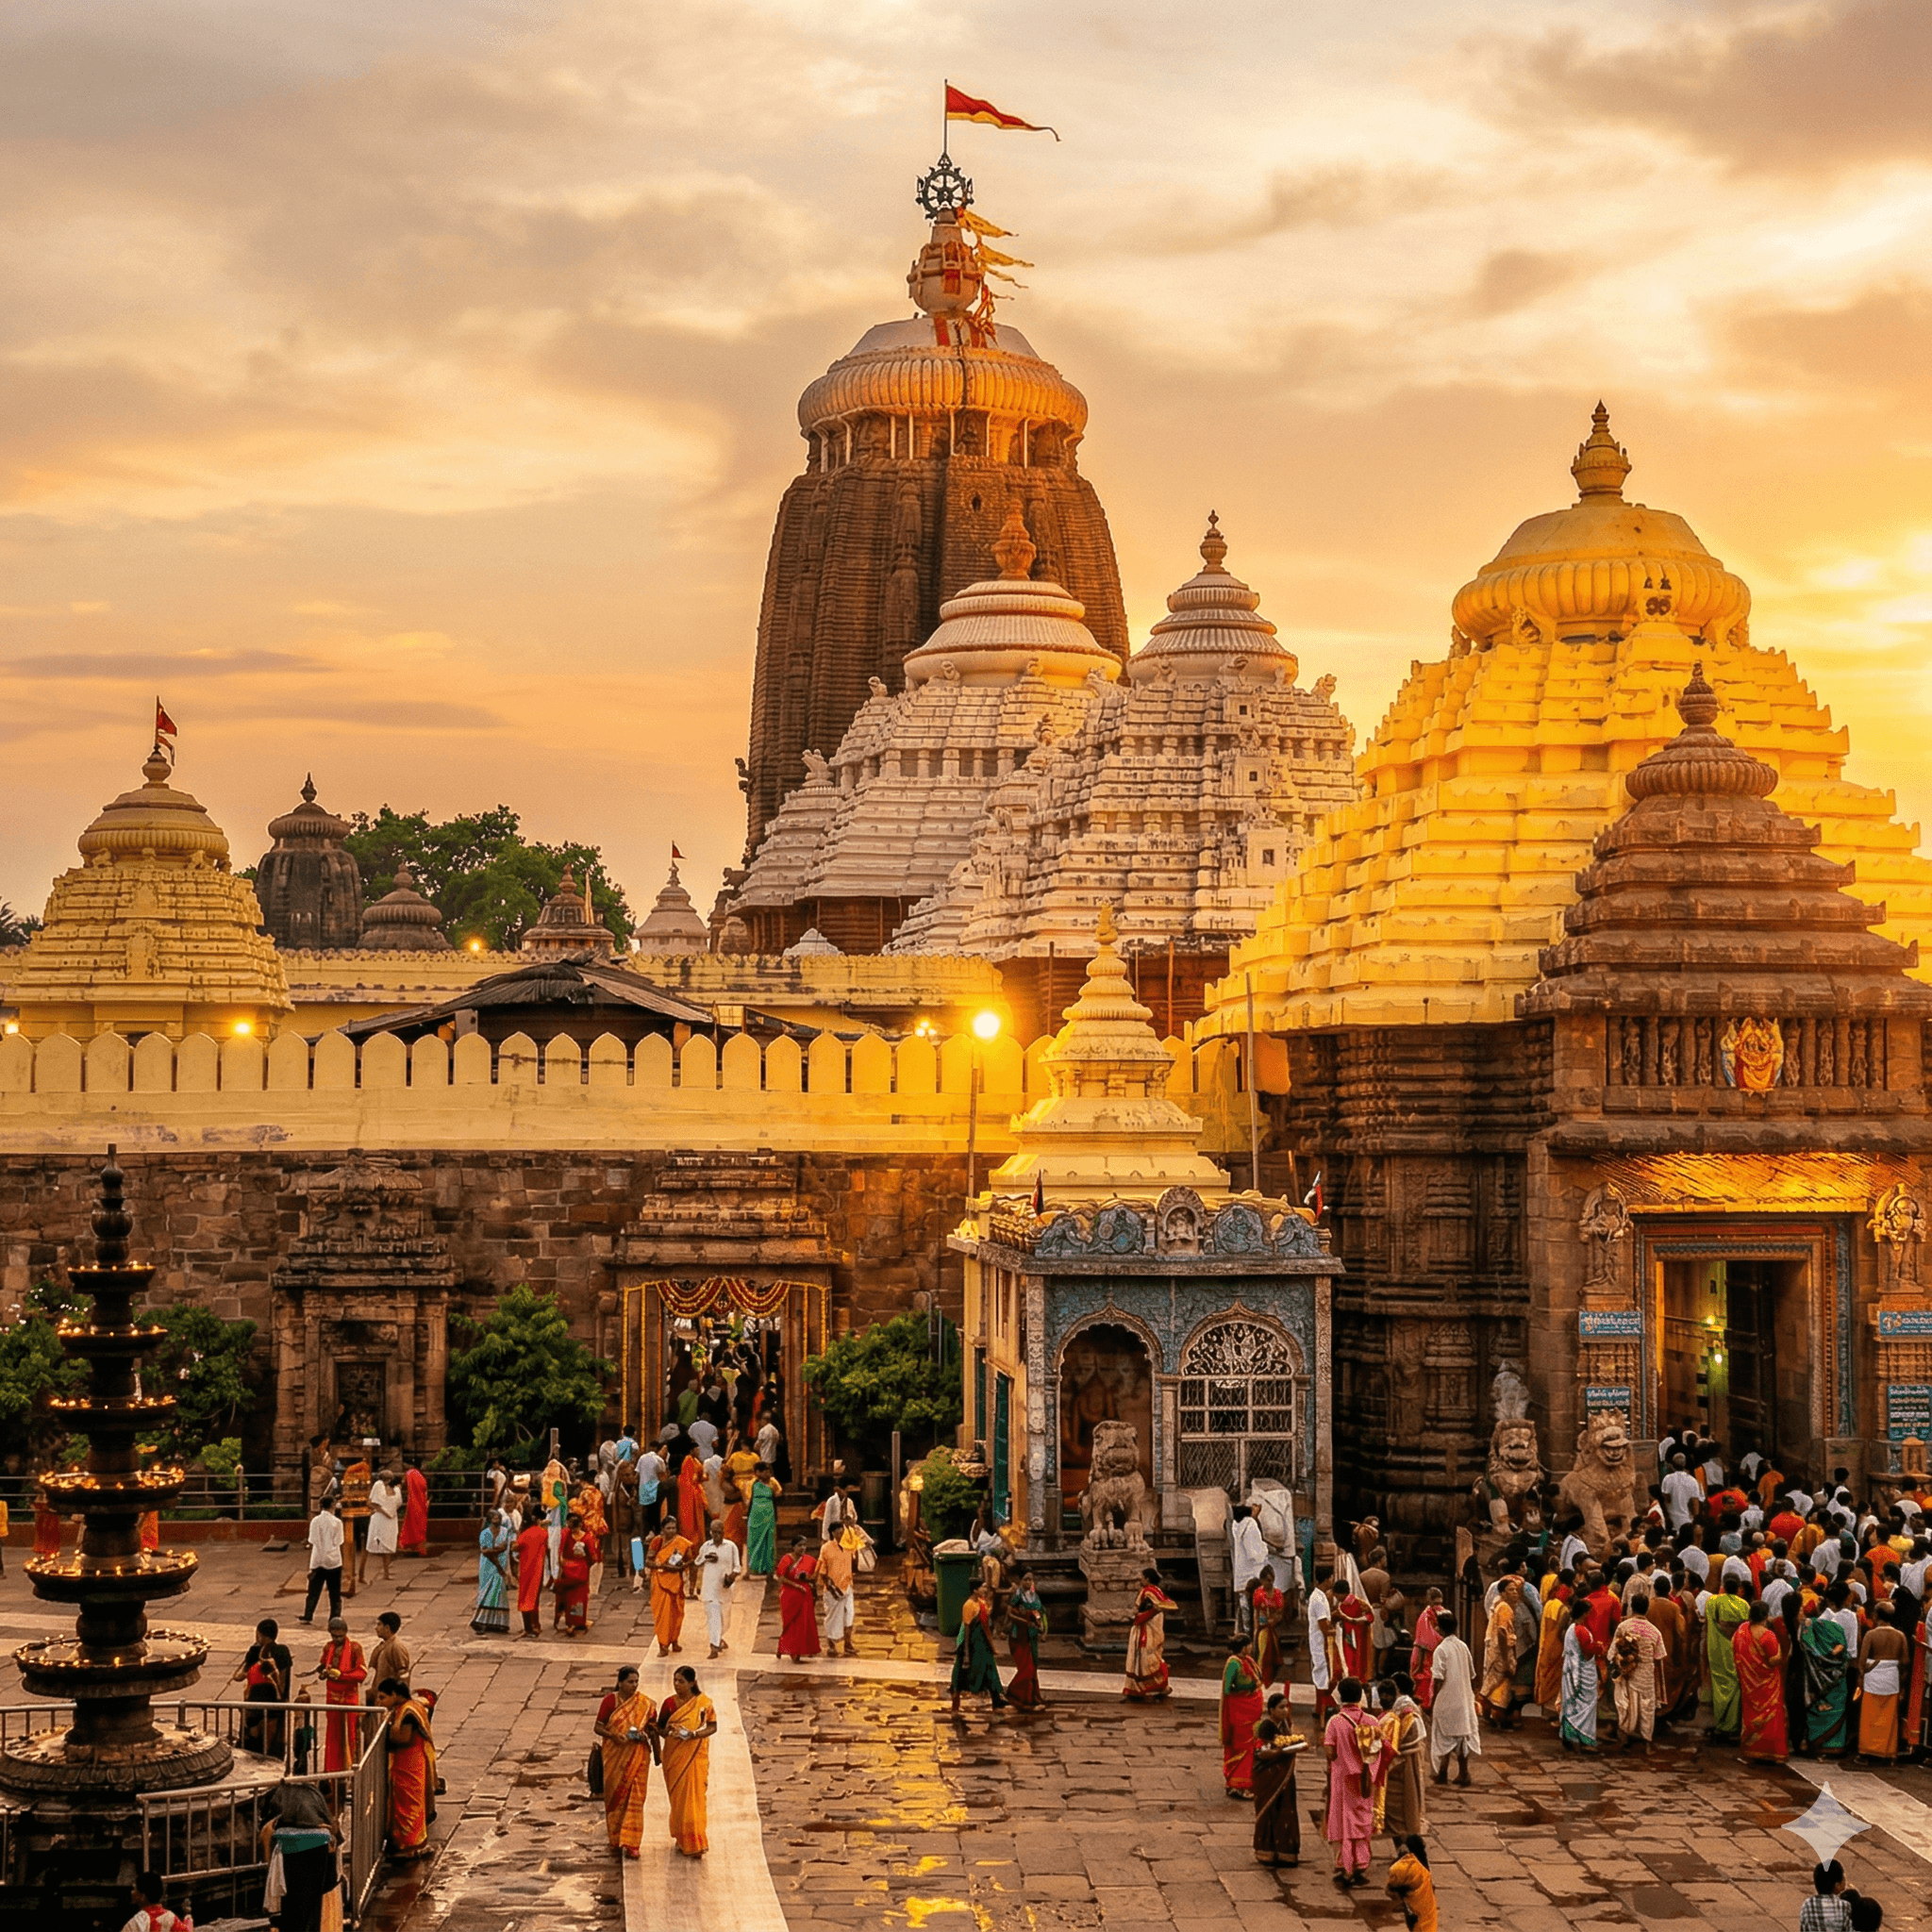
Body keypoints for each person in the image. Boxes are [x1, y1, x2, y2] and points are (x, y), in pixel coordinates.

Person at [1323, 1678, 1383, 1889]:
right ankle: (1360, 1864)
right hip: (1365, 1781)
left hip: (1342, 1781)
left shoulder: (1335, 1722)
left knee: (1342, 1821)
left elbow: (1330, 1752)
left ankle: (1344, 1865)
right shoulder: (1372, 1721)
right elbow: (1378, 1752)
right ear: (1360, 1696)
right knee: (1361, 1820)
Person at [596, 1664, 659, 1860]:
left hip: (638, 1756)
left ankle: (632, 1843)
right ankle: (615, 1838)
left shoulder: (644, 1704)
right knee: (616, 1795)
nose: (634, 1686)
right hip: (616, 1756)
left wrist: (655, 1749)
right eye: (630, 1682)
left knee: (636, 1799)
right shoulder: (610, 1701)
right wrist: (614, 1736)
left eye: (636, 1682)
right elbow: (598, 1727)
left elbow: (652, 1727)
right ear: (620, 1683)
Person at [260, 1777, 337, 1932]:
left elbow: (266, 1832)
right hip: (320, 1844)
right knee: (312, 1905)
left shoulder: (278, 1796)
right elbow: (333, 1828)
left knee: (291, 1904)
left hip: (291, 1849)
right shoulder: (314, 1794)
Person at [658, 1665, 716, 1858]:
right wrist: (671, 1731)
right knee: (678, 1799)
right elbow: (659, 1729)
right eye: (675, 1681)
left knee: (695, 1798)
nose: (677, 1685)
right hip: (674, 1756)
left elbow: (713, 1726)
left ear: (692, 1683)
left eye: (681, 1681)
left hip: (695, 1756)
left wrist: (694, 1735)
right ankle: (681, 1837)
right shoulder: (669, 1704)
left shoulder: (703, 1703)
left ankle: (696, 1840)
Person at [376, 1677, 436, 1860]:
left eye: (382, 1698)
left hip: (410, 1762)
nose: (380, 1702)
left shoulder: (409, 1712)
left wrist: (384, 1734)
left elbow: (403, 1738)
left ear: (395, 1695)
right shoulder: (405, 1708)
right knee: (405, 1802)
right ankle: (408, 1842)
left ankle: (410, 1845)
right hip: (406, 1762)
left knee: (408, 1804)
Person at [1251, 1698, 1305, 1869]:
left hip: (1284, 1776)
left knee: (1285, 1811)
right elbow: (1261, 1752)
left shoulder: (1285, 1725)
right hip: (1269, 1775)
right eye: (1281, 1707)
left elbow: (1291, 1741)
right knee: (1270, 1811)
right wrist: (1281, 1752)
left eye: (1287, 1707)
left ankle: (1285, 1852)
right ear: (1272, 1710)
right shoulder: (1266, 1726)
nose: (1285, 1710)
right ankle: (1267, 1851)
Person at [1426, 1611, 1478, 1786]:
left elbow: (1438, 1678)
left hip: (1447, 1699)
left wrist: (1433, 1701)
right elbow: (1472, 1674)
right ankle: (1463, 1773)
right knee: (1461, 1736)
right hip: (1463, 1698)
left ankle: (1442, 1772)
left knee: (1443, 1735)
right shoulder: (1463, 1646)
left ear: (1439, 1629)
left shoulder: (1441, 1649)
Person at [1609, 1592, 1666, 1751]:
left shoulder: (1623, 1626)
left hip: (1627, 1675)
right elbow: (1660, 1656)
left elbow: (1611, 1653)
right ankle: (1648, 1744)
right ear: (1647, 1609)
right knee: (1647, 1709)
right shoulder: (1654, 1631)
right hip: (1647, 1676)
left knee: (1626, 1706)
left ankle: (1625, 1738)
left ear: (1632, 1607)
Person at [1802, 1596, 1855, 1757]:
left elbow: (1806, 1647)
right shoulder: (1838, 1628)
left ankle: (1814, 1744)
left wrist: (1820, 1659)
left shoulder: (1808, 1625)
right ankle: (1834, 1746)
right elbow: (1843, 1650)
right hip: (1837, 1678)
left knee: (1817, 1708)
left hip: (1815, 1677)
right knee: (1835, 1708)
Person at [1858, 1600, 1910, 1762]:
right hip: (1891, 1679)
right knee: (1888, 1718)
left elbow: (1862, 1662)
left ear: (1875, 1616)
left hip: (1873, 1678)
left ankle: (1867, 1751)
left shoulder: (1871, 1634)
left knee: (1870, 1717)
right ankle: (1887, 1752)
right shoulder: (1900, 1636)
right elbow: (1905, 1661)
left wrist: (1862, 1675)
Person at [1379, 1674, 1428, 1844]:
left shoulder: (1405, 1712)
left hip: (1402, 1766)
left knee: (1399, 1811)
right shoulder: (1403, 1709)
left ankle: (1404, 1849)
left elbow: (1396, 1742)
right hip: (1408, 1763)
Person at [233, 1617, 291, 1758]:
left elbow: (238, 1676)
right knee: (271, 1743)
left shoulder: (256, 1653)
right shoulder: (283, 1651)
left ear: (260, 1635)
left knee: (255, 1744)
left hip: (257, 1707)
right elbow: (284, 1682)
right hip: (277, 1706)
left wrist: (248, 1660)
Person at [1704, 1575, 1753, 1743]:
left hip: (1716, 1650)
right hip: (1736, 1650)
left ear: (1722, 1586)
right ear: (1739, 1588)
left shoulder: (1712, 1602)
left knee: (1719, 1686)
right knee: (1735, 1685)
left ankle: (1721, 1724)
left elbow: (1707, 1624)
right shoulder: (1744, 1605)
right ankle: (1731, 1726)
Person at [950, 1582, 1008, 1718]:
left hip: (983, 1644)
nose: (984, 1589)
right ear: (975, 1590)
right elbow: (967, 1629)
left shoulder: (981, 1602)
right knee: (961, 1675)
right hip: (971, 1644)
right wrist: (966, 1654)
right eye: (982, 1587)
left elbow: (986, 1621)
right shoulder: (968, 1605)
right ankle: (955, 1705)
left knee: (990, 1669)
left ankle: (997, 1701)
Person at [316, 1616, 366, 1774]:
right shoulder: (328, 1648)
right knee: (333, 1738)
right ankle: (331, 1772)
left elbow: (361, 1673)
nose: (337, 1639)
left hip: (349, 1699)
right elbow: (324, 1664)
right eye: (334, 1636)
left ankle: (351, 1773)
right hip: (332, 1698)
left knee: (351, 1737)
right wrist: (324, 1673)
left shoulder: (355, 1648)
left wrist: (342, 1676)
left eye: (340, 1636)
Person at [1123, 1569, 1178, 1702]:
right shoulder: (1156, 1591)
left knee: (1143, 1661)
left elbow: (1153, 1610)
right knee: (1148, 1660)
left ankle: (1148, 1688)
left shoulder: (1148, 1592)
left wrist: (1139, 1616)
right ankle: (1140, 1690)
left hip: (1145, 1630)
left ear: (1147, 1579)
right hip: (1153, 1629)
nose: (1140, 1579)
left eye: (1142, 1577)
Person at [1220, 1637, 1266, 1797]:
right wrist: (1248, 1687)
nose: (1251, 1647)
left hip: (1252, 1712)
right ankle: (1238, 1785)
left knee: (1252, 1747)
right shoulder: (1234, 1663)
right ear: (1243, 1647)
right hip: (1240, 1711)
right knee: (1243, 1748)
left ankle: (1246, 1784)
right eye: (1249, 1645)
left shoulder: (1248, 1660)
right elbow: (1228, 1689)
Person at [1480, 1576, 1523, 1728]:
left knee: (1491, 1684)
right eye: (1511, 1590)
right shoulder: (1505, 1608)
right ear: (1503, 1593)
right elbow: (1502, 1633)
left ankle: (1490, 1715)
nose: (1515, 1593)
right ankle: (1498, 1717)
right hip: (1501, 1652)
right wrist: (1506, 1659)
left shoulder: (1499, 1606)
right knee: (1501, 1684)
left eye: (1516, 1590)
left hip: (1496, 1651)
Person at [649, 1524, 694, 1657]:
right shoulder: (657, 1541)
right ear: (662, 1529)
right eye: (668, 1528)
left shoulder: (682, 1543)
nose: (671, 1530)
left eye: (674, 1528)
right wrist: (663, 1566)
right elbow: (648, 1561)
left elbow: (691, 1561)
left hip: (676, 1583)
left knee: (677, 1613)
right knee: (662, 1615)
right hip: (659, 1582)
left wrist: (681, 1567)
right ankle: (663, 1645)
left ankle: (674, 1640)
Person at [697, 1526, 741, 1658]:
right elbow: (697, 1562)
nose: (716, 1535)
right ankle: (714, 1646)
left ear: (723, 1532)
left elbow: (738, 1566)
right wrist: (707, 1558)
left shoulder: (731, 1546)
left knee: (725, 1620)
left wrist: (732, 1577)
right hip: (709, 1589)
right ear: (710, 1532)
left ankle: (719, 1638)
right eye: (713, 1532)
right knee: (713, 1617)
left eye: (719, 1532)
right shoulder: (706, 1546)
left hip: (725, 1589)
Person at [1558, 1610, 1600, 1751]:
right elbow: (1587, 1650)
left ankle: (1568, 1735)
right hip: (1583, 1672)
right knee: (1585, 1706)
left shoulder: (1572, 1628)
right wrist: (1599, 1648)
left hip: (1572, 1669)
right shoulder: (1581, 1630)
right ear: (1585, 1614)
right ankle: (1585, 1741)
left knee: (1571, 1705)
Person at [775, 1535, 820, 1661]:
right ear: (793, 1547)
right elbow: (781, 1578)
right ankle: (787, 1649)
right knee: (790, 1623)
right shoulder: (786, 1559)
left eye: (804, 1545)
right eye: (799, 1545)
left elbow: (815, 1575)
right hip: (789, 1594)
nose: (802, 1548)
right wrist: (797, 1586)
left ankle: (804, 1650)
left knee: (805, 1622)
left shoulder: (810, 1560)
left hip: (805, 1594)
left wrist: (806, 1579)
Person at [300, 1497, 344, 1625]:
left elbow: (312, 1540)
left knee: (313, 1591)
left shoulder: (315, 1521)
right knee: (335, 1592)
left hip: (317, 1559)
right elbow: (339, 1541)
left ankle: (308, 1615)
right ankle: (334, 1617)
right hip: (334, 1560)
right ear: (332, 1506)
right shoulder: (337, 1522)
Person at [818, 1523, 858, 1657]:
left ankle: (848, 1645)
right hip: (832, 1589)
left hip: (847, 1586)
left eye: (843, 1532)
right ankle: (831, 1646)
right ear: (833, 1533)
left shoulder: (849, 1546)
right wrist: (831, 1586)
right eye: (838, 1533)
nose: (841, 1535)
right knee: (832, 1618)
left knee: (849, 1617)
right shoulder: (826, 1548)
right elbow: (822, 1571)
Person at [1386, 1835, 1438, 1932]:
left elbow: (1391, 1888)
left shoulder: (1406, 1867)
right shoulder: (1423, 1864)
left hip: (1413, 1907)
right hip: (1426, 1905)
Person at [475, 1509, 513, 1635]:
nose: (497, 1520)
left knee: (499, 1593)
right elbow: (485, 1552)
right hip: (488, 1567)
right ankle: (481, 1621)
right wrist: (497, 1555)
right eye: (495, 1518)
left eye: (499, 1518)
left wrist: (493, 1550)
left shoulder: (504, 1531)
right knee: (486, 1592)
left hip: (501, 1564)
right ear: (490, 1519)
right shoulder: (485, 1533)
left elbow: (504, 1547)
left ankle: (500, 1623)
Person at [555, 1512, 593, 1636]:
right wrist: (584, 1566)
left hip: (568, 1570)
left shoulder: (565, 1534)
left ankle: (571, 1622)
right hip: (581, 1571)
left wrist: (564, 1565)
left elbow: (560, 1554)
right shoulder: (588, 1537)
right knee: (579, 1599)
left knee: (569, 1598)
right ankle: (577, 1622)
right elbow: (593, 1557)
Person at [513, 1507, 550, 1638]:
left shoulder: (525, 1534)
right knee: (535, 1599)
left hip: (525, 1570)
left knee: (525, 1597)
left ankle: (528, 1628)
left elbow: (515, 1547)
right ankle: (536, 1625)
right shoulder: (543, 1533)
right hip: (538, 1569)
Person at [1230, 1505, 1268, 1630]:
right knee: (1257, 1611)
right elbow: (1255, 1554)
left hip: (1242, 1575)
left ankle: (1244, 1635)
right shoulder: (1250, 1525)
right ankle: (1255, 1638)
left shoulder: (1236, 1526)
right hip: (1253, 1575)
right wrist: (1265, 1548)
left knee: (1244, 1609)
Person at [1252, 1565, 1288, 1691]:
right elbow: (1256, 1612)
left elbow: (1280, 1612)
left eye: (1271, 1580)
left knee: (1274, 1655)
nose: (1269, 1583)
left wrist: (1275, 1619)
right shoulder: (1258, 1593)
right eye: (1267, 1580)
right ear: (1262, 1580)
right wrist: (1256, 1628)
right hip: (1262, 1627)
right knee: (1261, 1654)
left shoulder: (1277, 1593)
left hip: (1273, 1628)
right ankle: (1259, 1678)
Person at [367, 1611, 411, 1713]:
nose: (376, 1628)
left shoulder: (396, 1647)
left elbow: (403, 1675)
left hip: (390, 1701)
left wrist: (401, 1701)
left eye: (379, 1625)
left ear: (387, 1628)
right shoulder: (381, 1646)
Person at [121, 1869, 192, 1932]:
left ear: (142, 1897)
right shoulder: (172, 1918)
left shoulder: (137, 1922)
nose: (132, 1892)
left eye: (134, 1889)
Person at [1409, 1589, 1444, 1711]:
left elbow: (1426, 1642)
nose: (1438, 1606)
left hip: (1429, 1655)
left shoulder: (1432, 1615)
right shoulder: (1431, 1615)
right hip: (1432, 1653)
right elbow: (1429, 1640)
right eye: (1437, 1603)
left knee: (1428, 1678)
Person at [362, 1468, 399, 1584]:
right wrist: (384, 1512)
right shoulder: (378, 1485)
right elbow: (371, 1503)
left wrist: (390, 1512)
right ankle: (361, 1574)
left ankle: (386, 1573)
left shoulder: (393, 1489)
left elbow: (395, 1503)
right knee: (371, 1545)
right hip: (380, 1517)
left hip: (390, 1519)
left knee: (388, 1546)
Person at [746, 1463, 781, 1576]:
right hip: (756, 1514)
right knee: (755, 1540)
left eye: (768, 1471)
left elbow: (779, 1493)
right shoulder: (752, 1483)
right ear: (757, 1472)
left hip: (769, 1512)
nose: (767, 1474)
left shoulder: (773, 1482)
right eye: (764, 1471)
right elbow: (748, 1498)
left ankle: (768, 1567)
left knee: (769, 1540)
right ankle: (755, 1568)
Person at [1800, 1861, 1853, 1932]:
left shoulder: (1807, 1904)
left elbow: (1804, 1928)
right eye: (1843, 1877)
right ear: (1837, 1886)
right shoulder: (1844, 1906)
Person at [399, 1458, 430, 1559]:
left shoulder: (409, 1474)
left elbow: (404, 1485)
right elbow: (425, 1489)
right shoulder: (419, 1475)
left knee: (411, 1525)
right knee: (421, 1525)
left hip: (413, 1503)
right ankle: (420, 1548)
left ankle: (412, 1546)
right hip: (422, 1502)